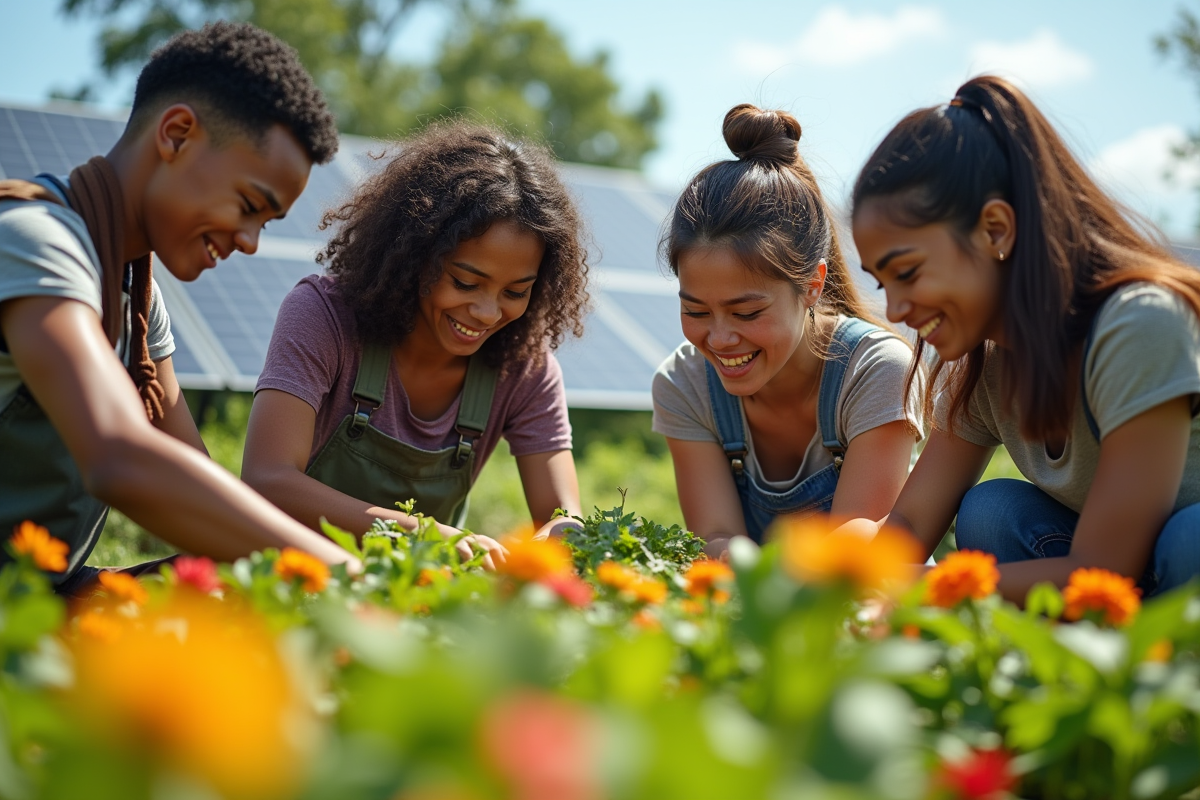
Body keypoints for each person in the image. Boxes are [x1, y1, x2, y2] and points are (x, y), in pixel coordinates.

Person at [0, 21, 359, 593]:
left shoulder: (138, 298)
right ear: (176, 135)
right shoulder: (30, 241)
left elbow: (190, 478)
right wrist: (343, 569)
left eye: (266, 225)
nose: (249, 242)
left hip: (40, 593)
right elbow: (122, 457)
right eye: (248, 205)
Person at [848, 75, 1200, 601]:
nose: (896, 309)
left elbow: (1105, 568)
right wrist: (834, 571)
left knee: (1190, 540)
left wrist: (918, 589)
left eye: (910, 272)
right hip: (1129, 578)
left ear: (995, 230)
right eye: (883, 283)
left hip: (1156, 562)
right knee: (993, 513)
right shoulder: (986, 364)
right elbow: (908, 522)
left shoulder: (1138, 324)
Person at [241, 122, 590, 564]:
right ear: (414, 255)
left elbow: (562, 515)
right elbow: (267, 477)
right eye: (465, 282)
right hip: (282, 581)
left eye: (515, 292)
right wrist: (420, 533)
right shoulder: (324, 317)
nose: (487, 312)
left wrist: (559, 535)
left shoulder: (525, 369)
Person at [651, 104, 922, 557]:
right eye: (696, 311)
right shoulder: (684, 385)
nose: (719, 339)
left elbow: (853, 557)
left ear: (812, 285)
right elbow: (716, 538)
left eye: (746, 313)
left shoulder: (876, 371)